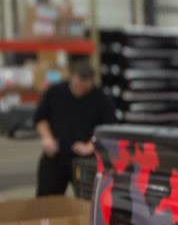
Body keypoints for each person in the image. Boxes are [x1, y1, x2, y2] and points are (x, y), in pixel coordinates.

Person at [34, 58, 118, 196]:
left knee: (89, 201)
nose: (80, 89)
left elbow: (109, 128)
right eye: (77, 84)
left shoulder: (101, 99)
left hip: (86, 160)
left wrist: (90, 146)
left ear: (92, 81)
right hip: (55, 156)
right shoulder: (55, 93)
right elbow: (40, 118)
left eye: (85, 86)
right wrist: (47, 138)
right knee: (46, 201)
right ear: (72, 77)